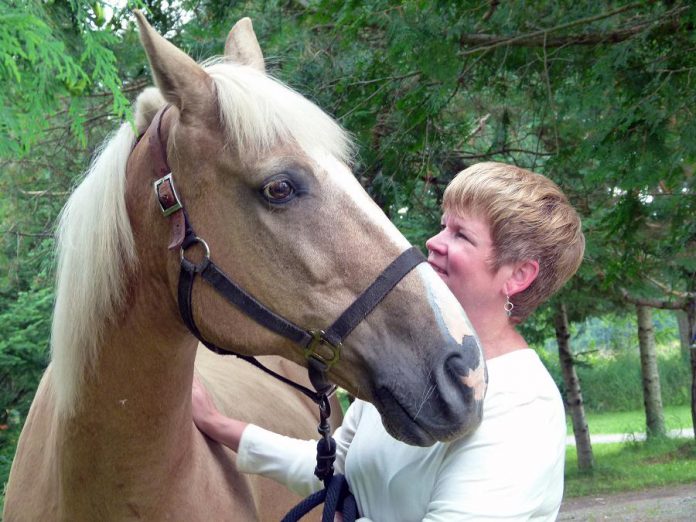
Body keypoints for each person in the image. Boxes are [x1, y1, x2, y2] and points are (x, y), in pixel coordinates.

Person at [192, 161, 585, 521]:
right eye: (443, 225)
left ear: (517, 276)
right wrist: (218, 424)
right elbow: (337, 468)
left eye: (461, 235)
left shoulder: (522, 404)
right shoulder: (412, 365)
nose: (434, 241)